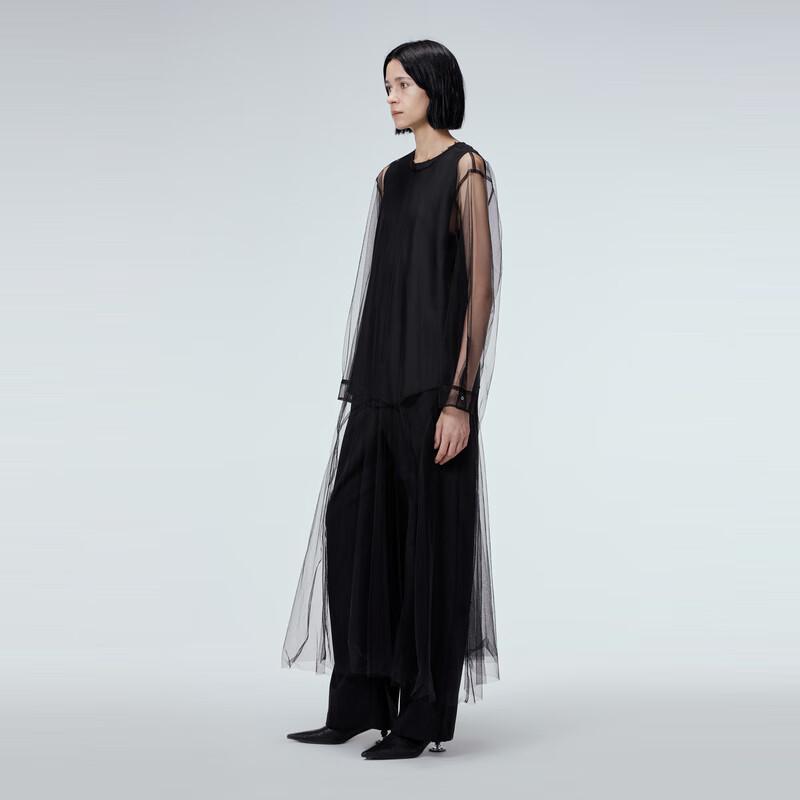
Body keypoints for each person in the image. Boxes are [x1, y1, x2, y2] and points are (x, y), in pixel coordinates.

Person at [282, 39, 502, 760]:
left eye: (402, 84)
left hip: (434, 389)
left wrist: (459, 399)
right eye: (386, 86)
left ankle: (421, 715)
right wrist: (363, 383)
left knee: (427, 544)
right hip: (378, 385)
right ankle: (359, 701)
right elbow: (380, 288)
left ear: (435, 88)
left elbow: (480, 291)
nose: (391, 97)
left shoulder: (467, 170)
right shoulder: (388, 179)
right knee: (354, 526)